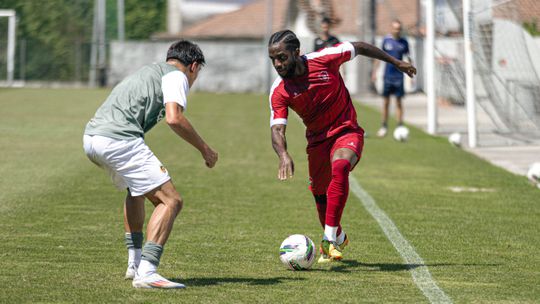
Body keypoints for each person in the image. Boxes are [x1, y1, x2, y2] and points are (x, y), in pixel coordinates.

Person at [268, 30, 415, 263]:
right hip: (317, 141)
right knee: (319, 195)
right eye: (273, 59)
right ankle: (338, 235)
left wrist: (395, 62)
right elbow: (277, 129)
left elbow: (360, 46)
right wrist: (283, 154)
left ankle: (328, 239)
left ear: (297, 52)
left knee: (341, 166)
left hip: (347, 130)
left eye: (282, 57)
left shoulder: (325, 58)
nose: (277, 63)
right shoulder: (280, 90)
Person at [83, 40, 218, 289]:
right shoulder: (177, 76)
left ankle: (133, 264)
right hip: (118, 140)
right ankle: (147, 272)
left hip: (92, 138)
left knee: (136, 190)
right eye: (197, 73)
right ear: (194, 66)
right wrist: (205, 149)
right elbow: (174, 118)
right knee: (171, 201)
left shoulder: (148, 70)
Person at [372, 20, 412, 137]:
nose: (397, 30)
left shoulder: (404, 42)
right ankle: (384, 126)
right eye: (395, 28)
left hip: (399, 77)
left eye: (399, 28)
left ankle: (400, 125)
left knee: (399, 102)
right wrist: (375, 72)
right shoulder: (386, 41)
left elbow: (409, 59)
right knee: (386, 102)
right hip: (387, 76)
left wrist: (411, 73)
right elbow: (378, 57)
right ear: (391, 28)